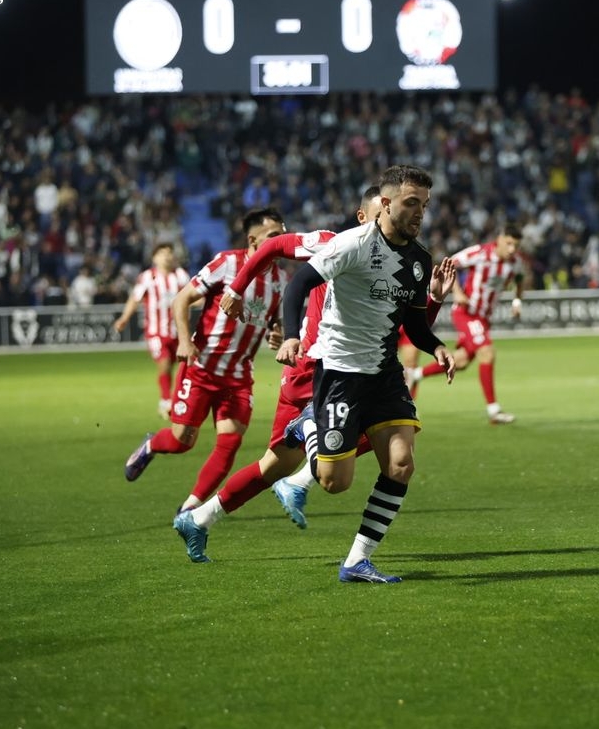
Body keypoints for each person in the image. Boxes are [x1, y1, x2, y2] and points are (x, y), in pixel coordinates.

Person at [169, 188, 455, 558]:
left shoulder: (394, 263)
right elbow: (273, 251)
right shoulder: (334, 243)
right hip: (317, 369)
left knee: (274, 466)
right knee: (372, 434)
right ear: (364, 217)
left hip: (332, 369)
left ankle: (199, 518)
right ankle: (306, 442)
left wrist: (431, 301)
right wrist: (240, 291)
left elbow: (401, 331)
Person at [248, 165, 454, 584]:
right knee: (333, 482)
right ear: (386, 202)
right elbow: (298, 285)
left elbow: (413, 326)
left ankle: (357, 561)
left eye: (424, 206)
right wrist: (290, 337)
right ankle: (309, 425)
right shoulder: (354, 245)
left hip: (384, 373)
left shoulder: (418, 260)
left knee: (401, 464)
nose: (419, 213)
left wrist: (437, 347)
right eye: (411, 203)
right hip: (340, 372)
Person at [122, 208, 286, 554]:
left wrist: (277, 334)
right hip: (202, 367)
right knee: (183, 440)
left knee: (229, 443)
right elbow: (182, 299)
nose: (282, 242)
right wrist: (184, 340)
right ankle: (152, 445)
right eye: (274, 236)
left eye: (283, 235)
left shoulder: (280, 280)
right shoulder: (227, 263)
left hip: (238, 375)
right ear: (253, 240)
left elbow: (273, 321)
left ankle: (189, 509)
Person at [407, 225, 524, 424]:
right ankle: (494, 411)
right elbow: (449, 264)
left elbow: (520, 279)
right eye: (509, 243)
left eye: (516, 245)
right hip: (466, 314)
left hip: (484, 318)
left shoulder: (515, 263)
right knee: (486, 352)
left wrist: (517, 301)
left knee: (460, 362)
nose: (512, 249)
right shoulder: (480, 253)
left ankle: (413, 375)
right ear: (500, 239)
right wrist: (457, 291)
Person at [113, 244, 191, 420]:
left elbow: (192, 297)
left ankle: (177, 400)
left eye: (170, 253)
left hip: (178, 332)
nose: (167, 257)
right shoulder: (148, 277)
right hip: (156, 332)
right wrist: (124, 318)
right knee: (163, 363)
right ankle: (165, 401)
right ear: (154, 258)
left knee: (179, 367)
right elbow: (135, 299)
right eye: (162, 254)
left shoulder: (181, 275)